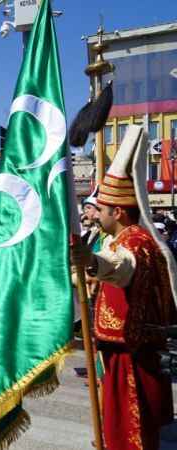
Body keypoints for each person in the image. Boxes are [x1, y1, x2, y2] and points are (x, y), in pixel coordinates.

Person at [71, 125, 176, 449]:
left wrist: (91, 261)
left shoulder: (133, 243)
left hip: (129, 353)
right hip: (127, 349)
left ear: (117, 211)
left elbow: (120, 267)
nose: (95, 214)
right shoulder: (131, 238)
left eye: (100, 210)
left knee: (130, 430)